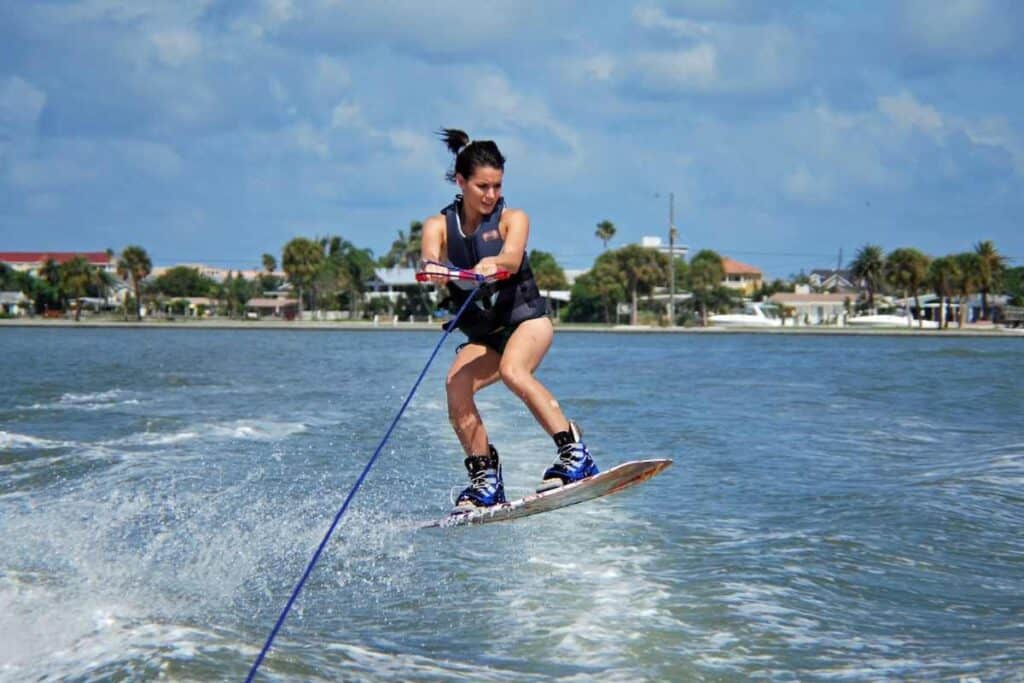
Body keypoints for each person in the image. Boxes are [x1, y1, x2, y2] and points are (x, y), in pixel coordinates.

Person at [420, 128, 599, 511]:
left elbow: (511, 259)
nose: (491, 195)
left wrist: (495, 263)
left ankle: (575, 454)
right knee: (455, 387)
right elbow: (429, 260)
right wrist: (435, 270)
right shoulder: (437, 226)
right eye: (482, 186)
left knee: (515, 371)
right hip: (484, 335)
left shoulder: (512, 219)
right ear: (460, 181)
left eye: (497, 186)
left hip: (526, 322)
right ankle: (485, 478)